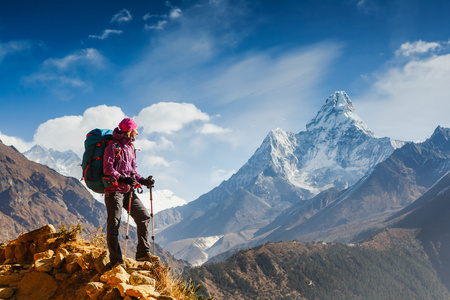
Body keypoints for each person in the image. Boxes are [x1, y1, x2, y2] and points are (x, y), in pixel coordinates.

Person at [103, 117, 159, 266]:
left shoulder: (131, 148)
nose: (137, 133)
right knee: (114, 225)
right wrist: (123, 178)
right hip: (114, 190)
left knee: (144, 217)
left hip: (128, 190)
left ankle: (142, 253)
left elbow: (132, 171)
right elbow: (108, 169)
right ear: (129, 131)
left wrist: (143, 180)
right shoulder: (113, 146)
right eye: (135, 130)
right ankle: (116, 261)